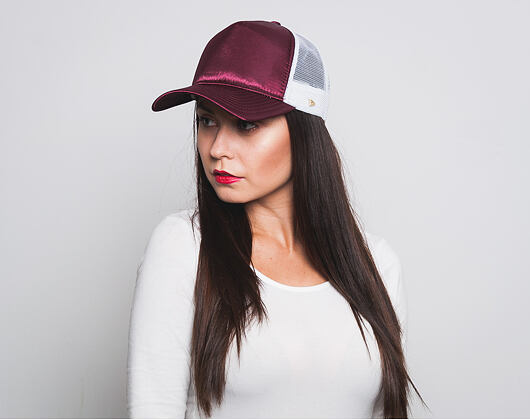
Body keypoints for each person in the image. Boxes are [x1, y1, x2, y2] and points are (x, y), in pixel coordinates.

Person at [127, 20, 427, 419]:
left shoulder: (376, 264)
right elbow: (153, 409)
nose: (217, 148)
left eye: (246, 124)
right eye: (207, 121)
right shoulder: (184, 246)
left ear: (304, 128)